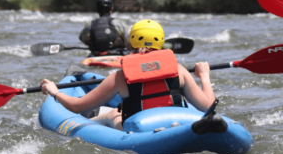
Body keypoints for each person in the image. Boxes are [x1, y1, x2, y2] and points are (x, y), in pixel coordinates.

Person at [42, 19, 215, 130]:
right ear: (161, 41)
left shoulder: (120, 77)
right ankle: (171, 129)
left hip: (140, 127)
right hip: (177, 120)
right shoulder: (179, 70)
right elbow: (207, 106)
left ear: (131, 41)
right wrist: (204, 76)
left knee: (114, 114)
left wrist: (54, 91)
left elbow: (77, 107)